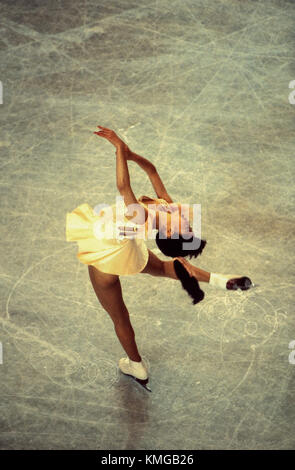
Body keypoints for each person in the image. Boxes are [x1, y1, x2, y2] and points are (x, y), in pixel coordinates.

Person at [66, 126, 253, 391]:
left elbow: (123, 186)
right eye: (189, 226)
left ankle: (136, 365)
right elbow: (152, 170)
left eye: (184, 228)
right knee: (167, 268)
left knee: (119, 316)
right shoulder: (168, 205)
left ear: (166, 231)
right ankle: (222, 281)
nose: (187, 222)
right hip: (123, 247)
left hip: (103, 251)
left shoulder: (144, 217)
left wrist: (119, 148)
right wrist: (132, 155)